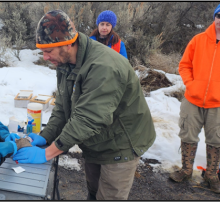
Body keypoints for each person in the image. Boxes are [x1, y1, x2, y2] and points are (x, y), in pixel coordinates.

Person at [12, 10, 156, 200]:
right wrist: (45, 137)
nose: (45, 57)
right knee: (93, 192)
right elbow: (63, 107)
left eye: (48, 51)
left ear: (68, 43)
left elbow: (88, 118)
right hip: (95, 140)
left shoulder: (103, 66)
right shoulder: (64, 62)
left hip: (122, 143)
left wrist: (47, 153)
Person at [169, 2, 220, 194]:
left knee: (216, 140)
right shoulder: (198, 39)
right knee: (187, 135)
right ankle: (186, 170)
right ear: (214, 17)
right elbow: (184, 65)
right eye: (219, 15)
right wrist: (192, 84)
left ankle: (212, 176)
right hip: (192, 99)